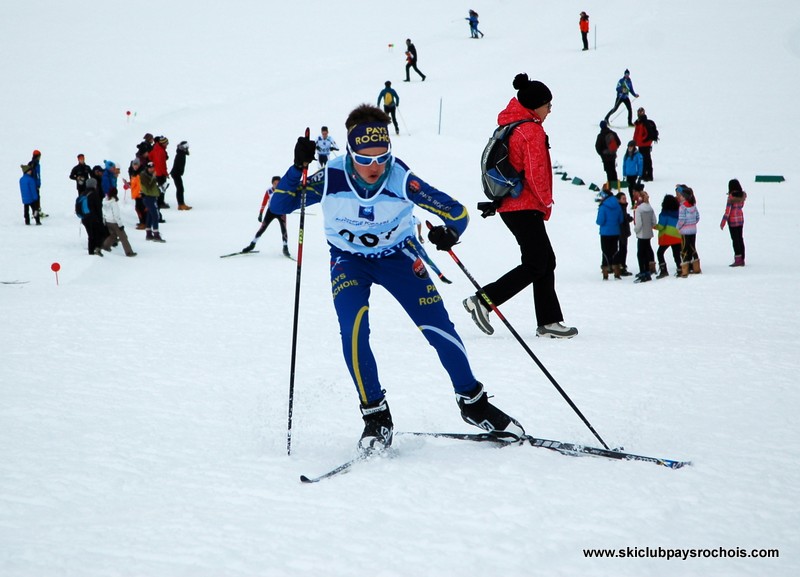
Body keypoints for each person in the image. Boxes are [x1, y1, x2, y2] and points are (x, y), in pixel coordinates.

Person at [269, 104, 525, 452]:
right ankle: (376, 415)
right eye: (365, 158)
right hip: (349, 262)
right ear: (350, 152)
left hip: (399, 259)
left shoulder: (400, 178)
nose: (375, 167)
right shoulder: (331, 175)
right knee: (354, 331)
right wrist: (297, 167)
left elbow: (457, 212)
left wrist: (449, 233)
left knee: (439, 329)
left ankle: (473, 403)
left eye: (382, 157)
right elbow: (281, 205)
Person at [463, 73, 577, 338]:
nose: (550, 110)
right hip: (523, 205)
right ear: (536, 105)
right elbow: (536, 172)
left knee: (545, 260)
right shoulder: (530, 130)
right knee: (538, 262)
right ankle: (483, 300)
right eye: (548, 105)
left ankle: (549, 321)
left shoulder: (512, 125)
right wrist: (546, 200)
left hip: (512, 205)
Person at [242, 176, 291, 257]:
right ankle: (252, 244)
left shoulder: (284, 191)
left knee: (284, 230)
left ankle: (285, 247)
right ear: (272, 184)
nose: (276, 185)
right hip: (270, 212)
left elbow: (288, 201)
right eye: (274, 183)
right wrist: (261, 213)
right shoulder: (269, 191)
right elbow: (264, 202)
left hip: (281, 212)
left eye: (278, 183)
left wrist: (288, 208)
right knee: (262, 228)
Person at [596, 185, 623, 280]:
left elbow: (599, 221)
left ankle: (606, 271)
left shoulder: (603, 207)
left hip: (605, 232)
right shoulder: (617, 205)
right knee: (615, 251)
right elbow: (621, 219)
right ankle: (616, 271)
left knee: (605, 251)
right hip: (615, 232)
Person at [102, 188, 137, 257]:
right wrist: (120, 225)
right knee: (123, 237)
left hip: (107, 221)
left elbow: (103, 212)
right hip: (115, 222)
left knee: (113, 236)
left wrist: (104, 221)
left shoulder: (104, 202)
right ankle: (129, 252)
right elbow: (116, 215)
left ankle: (105, 246)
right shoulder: (114, 203)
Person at [654, 194, 682, 278]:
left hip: (667, 236)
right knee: (676, 253)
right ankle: (680, 269)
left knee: (660, 253)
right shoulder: (679, 211)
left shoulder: (664, 213)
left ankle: (663, 270)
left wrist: (655, 226)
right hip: (677, 235)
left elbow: (661, 226)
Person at [720, 178, 747, 267]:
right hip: (740, 220)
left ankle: (738, 259)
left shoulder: (731, 197)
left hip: (732, 221)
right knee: (740, 238)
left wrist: (723, 222)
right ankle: (742, 258)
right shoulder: (741, 196)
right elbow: (741, 206)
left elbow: (728, 211)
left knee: (735, 240)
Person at [632, 187, 656, 282]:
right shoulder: (650, 208)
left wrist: (636, 230)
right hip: (648, 233)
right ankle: (647, 272)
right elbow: (654, 221)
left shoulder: (639, 209)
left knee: (640, 254)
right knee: (647, 252)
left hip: (641, 234)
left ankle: (643, 272)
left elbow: (638, 224)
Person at [675, 184, 700, 276]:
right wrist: (692, 223)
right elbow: (697, 217)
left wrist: (678, 227)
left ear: (684, 197)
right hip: (693, 230)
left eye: (680, 196)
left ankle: (685, 269)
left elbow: (681, 220)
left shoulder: (682, 207)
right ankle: (696, 267)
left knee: (684, 248)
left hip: (685, 231)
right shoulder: (693, 206)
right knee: (692, 247)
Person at [80, 178, 108, 256]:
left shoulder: (83, 194)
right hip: (93, 218)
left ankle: (91, 252)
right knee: (98, 234)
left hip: (84, 218)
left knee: (90, 235)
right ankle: (96, 250)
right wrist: (100, 220)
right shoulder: (94, 194)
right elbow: (98, 208)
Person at [140, 161, 166, 242]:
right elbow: (149, 186)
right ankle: (156, 234)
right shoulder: (144, 176)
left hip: (152, 197)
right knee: (155, 216)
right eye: (150, 168)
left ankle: (148, 233)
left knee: (150, 215)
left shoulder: (149, 175)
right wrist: (154, 177)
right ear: (147, 168)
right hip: (148, 197)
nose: (152, 169)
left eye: (153, 167)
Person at [633, 107, 657, 181]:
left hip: (644, 144)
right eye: (639, 112)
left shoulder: (645, 122)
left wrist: (642, 140)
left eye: (641, 112)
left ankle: (648, 175)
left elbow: (647, 133)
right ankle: (644, 174)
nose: (640, 114)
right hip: (641, 144)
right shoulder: (639, 122)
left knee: (646, 160)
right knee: (643, 160)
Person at [595, 121, 621, 188]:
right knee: (613, 169)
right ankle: (615, 184)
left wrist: (602, 154)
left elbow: (597, 147)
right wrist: (614, 149)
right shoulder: (613, 133)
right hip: (612, 155)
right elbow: (619, 142)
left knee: (608, 170)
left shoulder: (600, 136)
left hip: (605, 157)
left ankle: (610, 185)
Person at [615, 191, 634, 276]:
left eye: (625, 198)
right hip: (621, 231)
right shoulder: (619, 208)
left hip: (623, 231)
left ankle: (620, 265)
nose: (625, 200)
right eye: (623, 198)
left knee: (623, 249)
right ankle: (621, 266)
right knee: (623, 249)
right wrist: (628, 218)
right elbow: (622, 218)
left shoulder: (622, 207)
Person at [149, 136, 170, 209]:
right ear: (163, 143)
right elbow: (162, 164)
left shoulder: (156, 148)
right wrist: (166, 173)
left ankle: (159, 202)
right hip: (160, 173)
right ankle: (160, 203)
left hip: (156, 172)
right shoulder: (161, 151)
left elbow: (150, 156)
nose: (167, 145)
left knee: (159, 188)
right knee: (162, 188)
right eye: (166, 143)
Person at [171, 140, 192, 210]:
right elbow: (178, 165)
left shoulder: (181, 153)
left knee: (180, 188)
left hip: (177, 173)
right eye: (186, 146)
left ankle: (181, 204)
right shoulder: (180, 154)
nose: (187, 148)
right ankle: (181, 204)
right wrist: (179, 172)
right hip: (176, 173)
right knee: (180, 189)